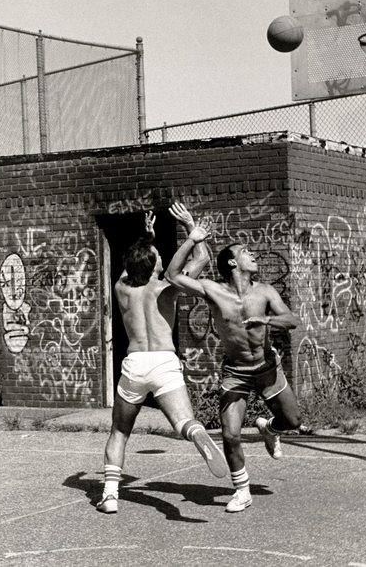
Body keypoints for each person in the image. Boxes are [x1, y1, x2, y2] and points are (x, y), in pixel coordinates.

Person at [97, 204, 227, 514]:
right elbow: (203, 258)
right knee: (185, 422)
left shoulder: (122, 289)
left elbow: (132, 264)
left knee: (119, 432)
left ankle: (110, 496)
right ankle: (197, 435)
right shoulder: (167, 288)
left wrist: (146, 238)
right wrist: (191, 230)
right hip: (164, 363)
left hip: (134, 365)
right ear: (156, 265)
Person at [165, 220, 301, 513]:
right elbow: (172, 275)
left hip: (267, 367)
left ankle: (269, 428)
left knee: (292, 422)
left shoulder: (264, 291)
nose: (253, 255)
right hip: (236, 371)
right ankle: (242, 490)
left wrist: (266, 320)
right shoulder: (214, 290)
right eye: (246, 251)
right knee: (230, 434)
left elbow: (292, 321)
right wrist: (192, 239)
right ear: (232, 262)